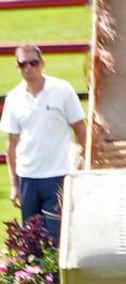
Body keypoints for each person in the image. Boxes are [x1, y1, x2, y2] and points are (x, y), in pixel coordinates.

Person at [1, 44, 87, 242]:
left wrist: (81, 162)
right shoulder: (14, 98)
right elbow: (12, 144)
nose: (29, 68)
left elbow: (80, 129)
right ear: (17, 67)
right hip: (27, 178)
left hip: (58, 175)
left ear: (42, 63)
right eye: (23, 64)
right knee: (31, 240)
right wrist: (14, 184)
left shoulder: (62, 90)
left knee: (56, 238)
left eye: (33, 62)